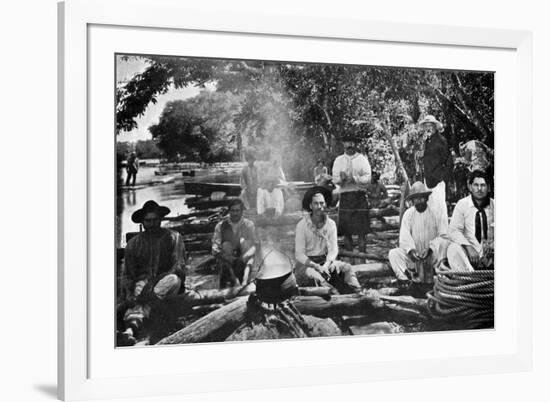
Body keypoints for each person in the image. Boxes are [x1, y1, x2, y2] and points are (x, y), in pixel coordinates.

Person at [120, 200, 187, 345]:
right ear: (142, 222)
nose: (152, 224)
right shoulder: (134, 244)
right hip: (143, 284)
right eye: (148, 221)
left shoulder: (174, 237)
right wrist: (128, 294)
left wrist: (153, 283)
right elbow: (128, 274)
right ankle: (131, 330)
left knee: (174, 280)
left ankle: (133, 326)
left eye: (155, 220)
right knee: (138, 288)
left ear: (160, 220)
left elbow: (179, 267)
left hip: (166, 281)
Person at [294, 187, 362, 294]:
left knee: (347, 268)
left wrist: (326, 264)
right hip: (307, 265)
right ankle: (332, 294)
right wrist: (316, 266)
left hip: (325, 262)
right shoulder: (301, 225)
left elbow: (334, 249)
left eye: (322, 203)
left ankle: (359, 294)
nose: (319, 207)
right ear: (311, 206)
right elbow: (299, 254)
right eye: (316, 204)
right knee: (316, 277)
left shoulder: (330, 224)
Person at [388, 182, 448, 286]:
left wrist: (430, 249)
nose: (419, 201)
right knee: (394, 254)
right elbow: (404, 237)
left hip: (432, 255)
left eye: (422, 198)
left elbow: (443, 236)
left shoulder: (436, 212)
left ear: (426, 198)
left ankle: (439, 278)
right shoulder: (408, 214)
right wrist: (411, 251)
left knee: (445, 247)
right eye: (416, 198)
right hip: (415, 256)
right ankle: (406, 281)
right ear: (412, 200)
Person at [447, 170, 494, 271]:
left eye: (483, 185)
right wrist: (468, 247)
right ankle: (470, 276)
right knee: (452, 249)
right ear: (470, 187)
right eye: (476, 185)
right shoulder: (462, 204)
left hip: (491, 256)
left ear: (488, 187)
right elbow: (453, 231)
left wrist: (493, 245)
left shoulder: (495, 205)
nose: (479, 189)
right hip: (469, 257)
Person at [331, 135, 371, 253]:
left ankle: (363, 259)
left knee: (362, 232)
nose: (350, 145)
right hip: (345, 197)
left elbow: (368, 178)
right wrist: (341, 179)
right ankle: (350, 260)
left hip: (359, 197)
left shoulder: (362, 159)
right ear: (343, 144)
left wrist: (354, 179)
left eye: (352, 143)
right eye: (347, 142)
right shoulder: (339, 160)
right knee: (346, 232)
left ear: (356, 144)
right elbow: (334, 179)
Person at [212, 198, 259, 288]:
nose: (235, 213)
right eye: (232, 211)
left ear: (242, 211)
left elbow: (255, 245)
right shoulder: (221, 226)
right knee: (226, 245)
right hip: (228, 260)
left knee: (245, 242)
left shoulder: (249, 224)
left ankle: (245, 280)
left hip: (244, 259)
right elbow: (215, 247)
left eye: (237, 210)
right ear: (229, 211)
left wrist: (244, 257)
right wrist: (227, 257)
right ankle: (234, 281)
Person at [419, 115, 451, 231]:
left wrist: (442, 177)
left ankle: (443, 236)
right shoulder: (427, 141)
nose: (428, 128)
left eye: (431, 125)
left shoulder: (441, 140)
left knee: (440, 210)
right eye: (426, 126)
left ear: (435, 126)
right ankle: (431, 237)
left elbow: (447, 161)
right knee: (430, 209)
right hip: (427, 180)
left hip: (438, 180)